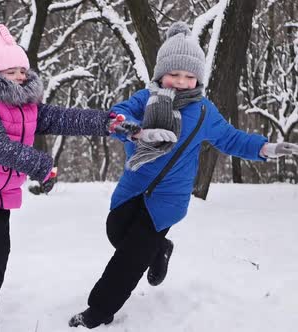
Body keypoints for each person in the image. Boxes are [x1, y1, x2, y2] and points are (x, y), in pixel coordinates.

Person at [0, 23, 168, 331]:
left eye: (22, 70)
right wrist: (39, 164)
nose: (21, 76)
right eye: (11, 71)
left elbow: (64, 118)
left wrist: (109, 123)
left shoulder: (26, 106)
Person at [68, 21, 298, 329]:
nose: (181, 81)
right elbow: (119, 113)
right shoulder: (145, 98)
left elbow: (231, 139)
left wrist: (266, 148)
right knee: (116, 232)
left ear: (198, 79)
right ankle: (160, 249)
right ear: (161, 73)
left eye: (189, 76)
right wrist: (131, 129)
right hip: (134, 186)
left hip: (167, 201)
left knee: (130, 258)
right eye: (174, 74)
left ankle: (99, 310)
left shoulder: (204, 112)